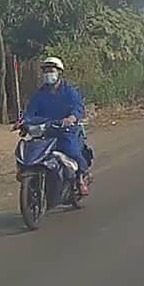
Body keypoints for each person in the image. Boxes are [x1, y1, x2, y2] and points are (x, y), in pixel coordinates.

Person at [23, 57, 90, 196]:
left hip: (65, 131)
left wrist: (71, 118)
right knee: (31, 153)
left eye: (51, 71)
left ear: (59, 72)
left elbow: (78, 107)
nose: (48, 74)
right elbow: (30, 112)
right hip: (46, 132)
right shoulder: (39, 94)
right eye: (45, 71)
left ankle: (81, 179)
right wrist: (23, 121)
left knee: (72, 152)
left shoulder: (69, 91)